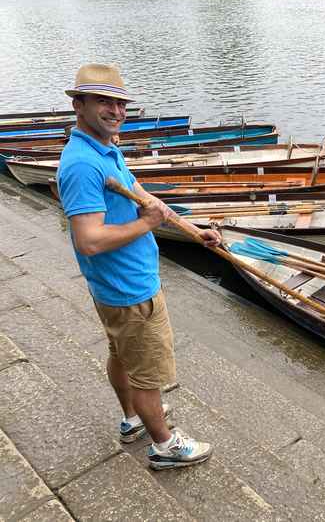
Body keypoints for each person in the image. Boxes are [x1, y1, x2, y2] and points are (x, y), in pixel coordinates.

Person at [56, 63, 219, 470]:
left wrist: (193, 230)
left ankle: (132, 419)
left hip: (113, 288)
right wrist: (147, 224)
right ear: (78, 105)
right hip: (130, 288)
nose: (115, 110)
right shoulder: (81, 164)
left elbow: (140, 194)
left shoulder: (105, 148)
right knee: (149, 372)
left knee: (123, 354)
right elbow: (89, 240)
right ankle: (164, 445)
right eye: (103, 101)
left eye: (120, 102)